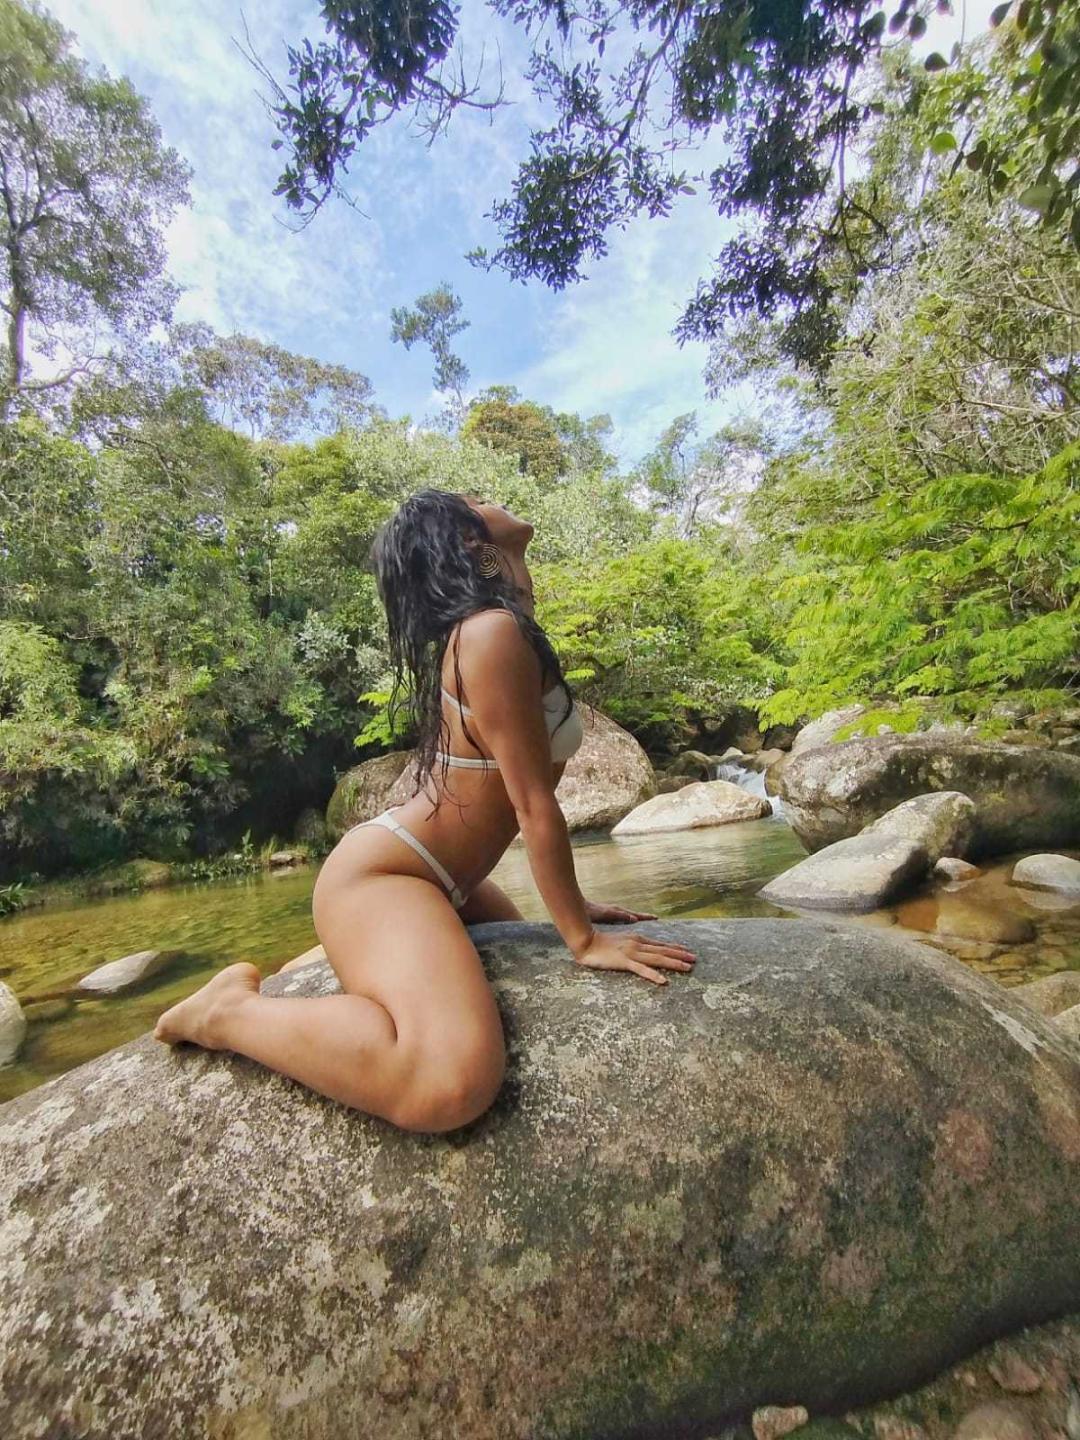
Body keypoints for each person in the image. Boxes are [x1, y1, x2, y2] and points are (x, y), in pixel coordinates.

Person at [153, 489, 698, 1131]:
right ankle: (227, 1014)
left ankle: (296, 974)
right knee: (449, 1082)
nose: (490, 496)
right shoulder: (489, 635)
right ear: (469, 542)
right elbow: (533, 806)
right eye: (475, 500)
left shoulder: (500, 624)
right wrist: (581, 939)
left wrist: (572, 906)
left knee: (513, 944)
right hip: (387, 877)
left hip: (449, 881)